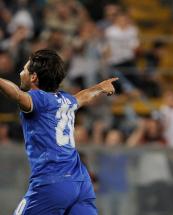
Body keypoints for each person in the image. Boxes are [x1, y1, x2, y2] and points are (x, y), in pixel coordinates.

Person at [0, 49, 118, 215]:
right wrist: (100, 87)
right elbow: (82, 97)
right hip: (81, 183)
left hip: (51, 183)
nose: (21, 73)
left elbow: (17, 95)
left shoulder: (38, 99)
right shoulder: (67, 99)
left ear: (33, 77)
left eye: (25, 69)